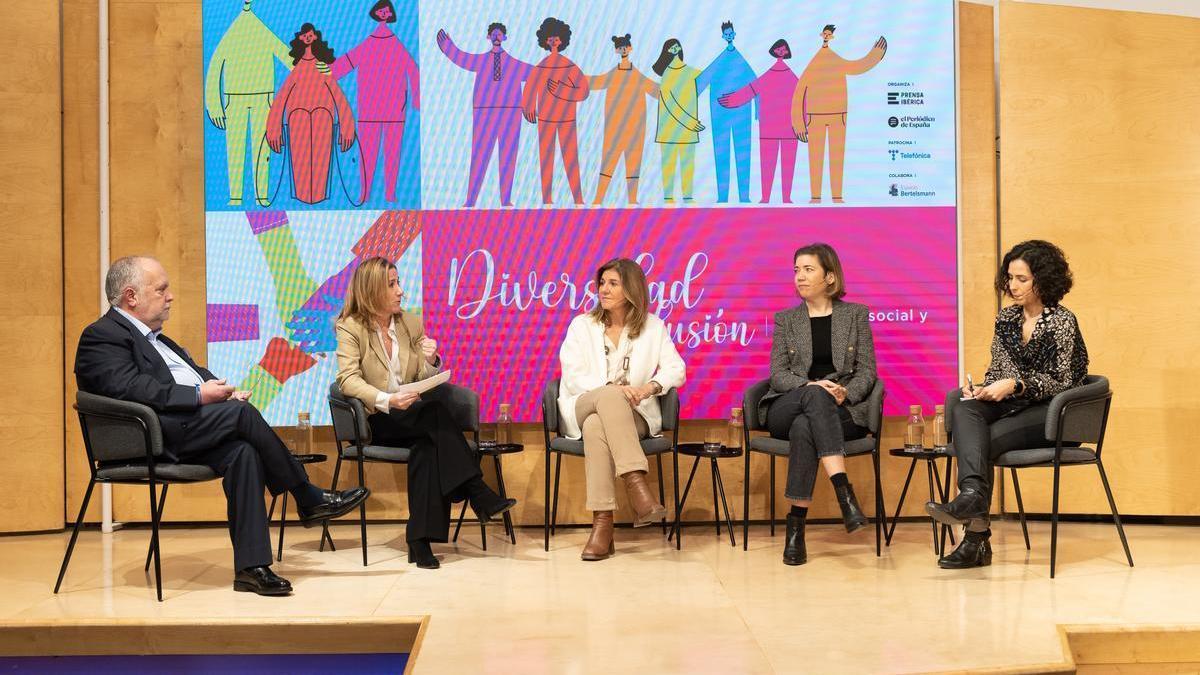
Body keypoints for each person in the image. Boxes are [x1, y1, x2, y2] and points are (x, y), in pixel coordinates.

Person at [75, 257, 369, 596]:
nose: (169, 296)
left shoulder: (159, 340)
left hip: (186, 426)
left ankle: (251, 568)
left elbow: (194, 373)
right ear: (131, 297)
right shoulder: (102, 336)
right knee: (242, 417)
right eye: (161, 289)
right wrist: (201, 395)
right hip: (151, 435)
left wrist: (222, 392)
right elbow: (132, 389)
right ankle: (307, 497)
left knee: (243, 452)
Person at [335, 257, 516, 569]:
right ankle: (476, 491)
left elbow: (420, 375)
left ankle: (419, 542)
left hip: (414, 418)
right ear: (373, 289)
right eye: (392, 284)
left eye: (399, 282)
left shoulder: (410, 323)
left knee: (427, 447)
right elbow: (348, 380)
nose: (401, 291)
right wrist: (387, 400)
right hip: (379, 419)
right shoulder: (350, 328)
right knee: (434, 415)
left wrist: (431, 361)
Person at [927, 241, 1088, 569]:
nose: (1012, 286)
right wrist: (984, 389)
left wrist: (1017, 385)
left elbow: (1065, 381)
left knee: (977, 441)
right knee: (965, 407)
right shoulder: (1007, 318)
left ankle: (975, 538)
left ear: (1043, 279)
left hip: (1052, 414)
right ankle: (972, 497)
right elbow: (999, 369)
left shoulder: (1062, 321)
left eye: (1022, 279)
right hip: (1016, 405)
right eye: (1009, 278)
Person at [557, 258, 686, 561]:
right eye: (602, 283)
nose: (604, 289)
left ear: (631, 289)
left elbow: (676, 369)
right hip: (582, 403)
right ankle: (635, 482)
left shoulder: (653, 326)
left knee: (596, 426)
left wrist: (649, 388)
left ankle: (602, 526)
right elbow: (573, 374)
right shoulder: (582, 325)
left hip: (632, 415)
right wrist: (611, 389)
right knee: (608, 400)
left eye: (613, 283)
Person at [759, 243, 876, 566]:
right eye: (796, 270)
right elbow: (778, 374)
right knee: (812, 397)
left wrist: (845, 393)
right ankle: (843, 492)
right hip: (789, 403)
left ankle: (795, 528)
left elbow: (867, 371)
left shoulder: (855, 315)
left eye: (808, 269)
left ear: (830, 276)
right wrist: (812, 385)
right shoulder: (786, 320)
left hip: (841, 410)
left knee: (804, 428)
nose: (799, 276)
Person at [330, 0, 420, 204]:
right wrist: (328, 72)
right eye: (381, 9)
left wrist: (417, 100)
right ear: (376, 13)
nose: (384, 13)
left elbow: (413, 70)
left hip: (395, 111)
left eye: (387, 10)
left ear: (390, 15)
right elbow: (348, 61)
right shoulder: (369, 42)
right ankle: (366, 192)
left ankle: (390, 193)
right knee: (367, 155)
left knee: (392, 154)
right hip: (369, 111)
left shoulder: (396, 44)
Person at [437, 22, 534, 208]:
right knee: (479, 155)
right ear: (488, 37)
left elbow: (536, 74)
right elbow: (462, 58)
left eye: (500, 34)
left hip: (510, 113)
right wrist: (447, 47)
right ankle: (471, 199)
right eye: (494, 33)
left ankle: (506, 199)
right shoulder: (481, 61)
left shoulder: (514, 64)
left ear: (504, 38)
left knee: (508, 157)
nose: (497, 36)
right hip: (484, 113)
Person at [792, 25, 887, 203]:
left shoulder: (835, 60)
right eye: (825, 34)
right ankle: (815, 197)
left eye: (829, 35)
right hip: (815, 117)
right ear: (822, 36)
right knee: (815, 157)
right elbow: (799, 92)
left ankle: (837, 196)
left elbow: (856, 66)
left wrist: (875, 55)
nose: (827, 37)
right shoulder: (815, 62)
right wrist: (798, 125)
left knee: (836, 157)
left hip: (838, 116)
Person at [266, 23, 356, 205]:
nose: (308, 36)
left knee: (322, 163)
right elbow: (281, 99)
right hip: (297, 123)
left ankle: (320, 195)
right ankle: (302, 195)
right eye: (304, 34)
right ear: (300, 38)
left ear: (315, 37)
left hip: (323, 122)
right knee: (300, 163)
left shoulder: (323, 69)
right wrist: (273, 129)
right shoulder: (296, 71)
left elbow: (339, 98)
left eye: (311, 33)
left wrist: (347, 127)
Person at [719, 38, 799, 203]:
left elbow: (802, 99)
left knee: (786, 164)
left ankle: (784, 198)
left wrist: (802, 124)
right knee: (769, 164)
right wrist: (731, 100)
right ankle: (767, 197)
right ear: (776, 51)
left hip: (787, 130)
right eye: (779, 50)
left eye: (784, 50)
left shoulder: (791, 78)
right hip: (771, 130)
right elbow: (749, 91)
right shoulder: (775, 76)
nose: (781, 53)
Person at [522, 17, 590, 205]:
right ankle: (547, 199)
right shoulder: (540, 67)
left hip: (567, 120)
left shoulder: (569, 66)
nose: (553, 41)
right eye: (550, 38)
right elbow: (530, 88)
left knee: (571, 158)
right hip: (545, 119)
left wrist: (562, 90)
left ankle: (578, 199)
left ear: (562, 40)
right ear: (545, 40)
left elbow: (583, 91)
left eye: (556, 38)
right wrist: (528, 107)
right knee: (546, 159)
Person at [587, 34, 658, 205]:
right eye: (620, 47)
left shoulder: (637, 76)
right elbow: (594, 82)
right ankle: (598, 198)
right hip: (614, 128)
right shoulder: (612, 75)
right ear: (616, 50)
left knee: (633, 162)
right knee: (608, 161)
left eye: (626, 46)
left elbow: (656, 90)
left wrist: (677, 87)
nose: (624, 49)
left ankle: (632, 199)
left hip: (635, 128)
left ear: (630, 48)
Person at [696, 21, 755, 203]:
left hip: (742, 115)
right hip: (720, 116)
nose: (729, 36)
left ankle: (744, 197)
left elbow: (756, 85)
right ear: (724, 36)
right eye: (726, 34)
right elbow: (698, 85)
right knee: (721, 154)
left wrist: (758, 114)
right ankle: (722, 198)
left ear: (734, 34)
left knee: (743, 153)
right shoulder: (720, 60)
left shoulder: (740, 60)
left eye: (731, 33)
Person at [651, 39, 705, 203]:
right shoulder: (666, 74)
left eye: (677, 45)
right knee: (669, 165)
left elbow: (709, 82)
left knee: (687, 165)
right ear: (666, 51)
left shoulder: (692, 72)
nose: (675, 48)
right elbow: (669, 102)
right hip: (669, 131)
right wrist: (689, 122)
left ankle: (687, 196)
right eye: (671, 47)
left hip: (688, 132)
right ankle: (668, 197)